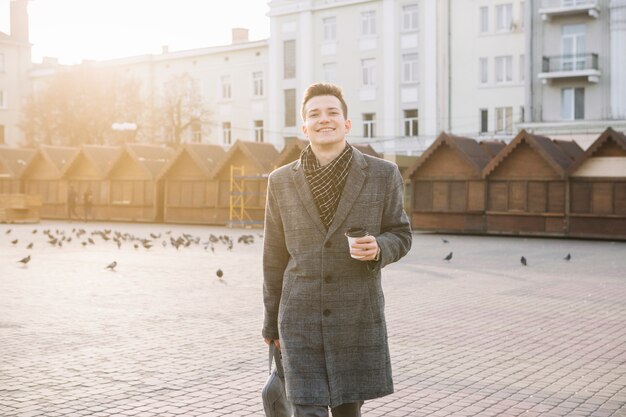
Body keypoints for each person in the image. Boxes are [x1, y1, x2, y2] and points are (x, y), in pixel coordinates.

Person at [262, 83, 412, 417]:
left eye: (332, 112)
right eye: (314, 114)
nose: (323, 119)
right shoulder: (281, 181)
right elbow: (273, 256)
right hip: (298, 319)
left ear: (347, 123)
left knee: (348, 411)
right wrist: (270, 325)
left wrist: (379, 247)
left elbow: (401, 234)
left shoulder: (382, 174)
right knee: (307, 410)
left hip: (355, 315)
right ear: (304, 127)